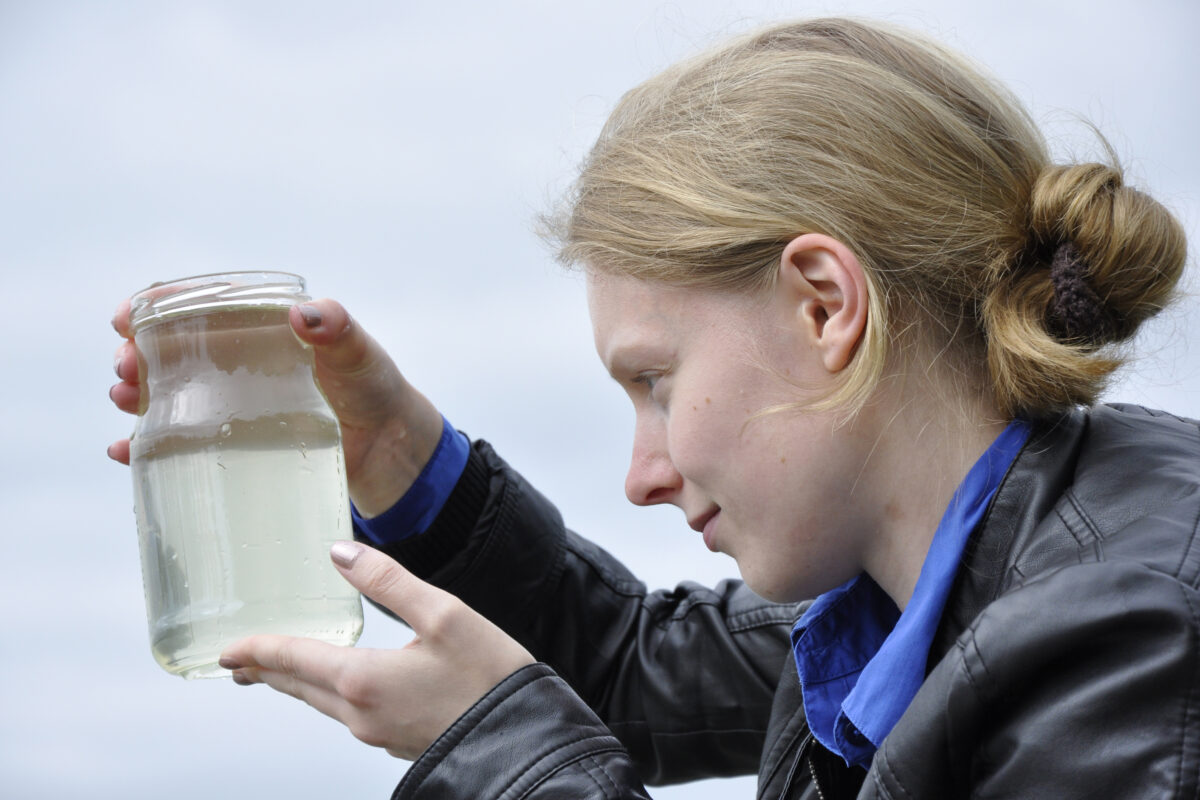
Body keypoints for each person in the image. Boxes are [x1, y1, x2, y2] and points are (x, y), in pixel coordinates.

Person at [108, 17, 1197, 799]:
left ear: (825, 306)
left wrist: (513, 766)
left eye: (654, 382)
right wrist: (393, 447)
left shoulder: (1131, 633)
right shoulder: (899, 587)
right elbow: (625, 664)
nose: (642, 472)